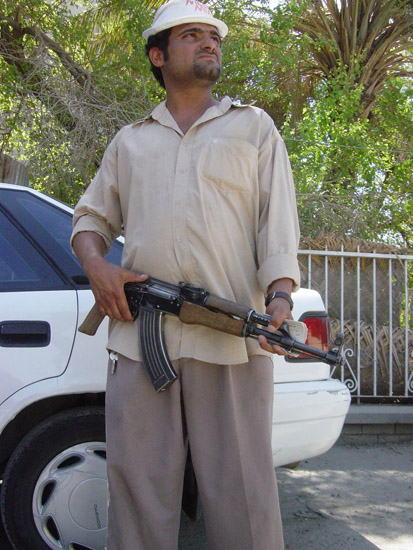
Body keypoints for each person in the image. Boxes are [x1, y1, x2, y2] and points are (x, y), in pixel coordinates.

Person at [71, 1, 300, 548]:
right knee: (138, 497)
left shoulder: (254, 128)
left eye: (213, 36)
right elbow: (90, 218)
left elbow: (279, 226)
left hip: (230, 340)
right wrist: (96, 266)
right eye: (192, 35)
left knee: (243, 497)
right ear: (159, 54)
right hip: (140, 336)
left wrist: (280, 298)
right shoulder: (130, 140)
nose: (209, 43)